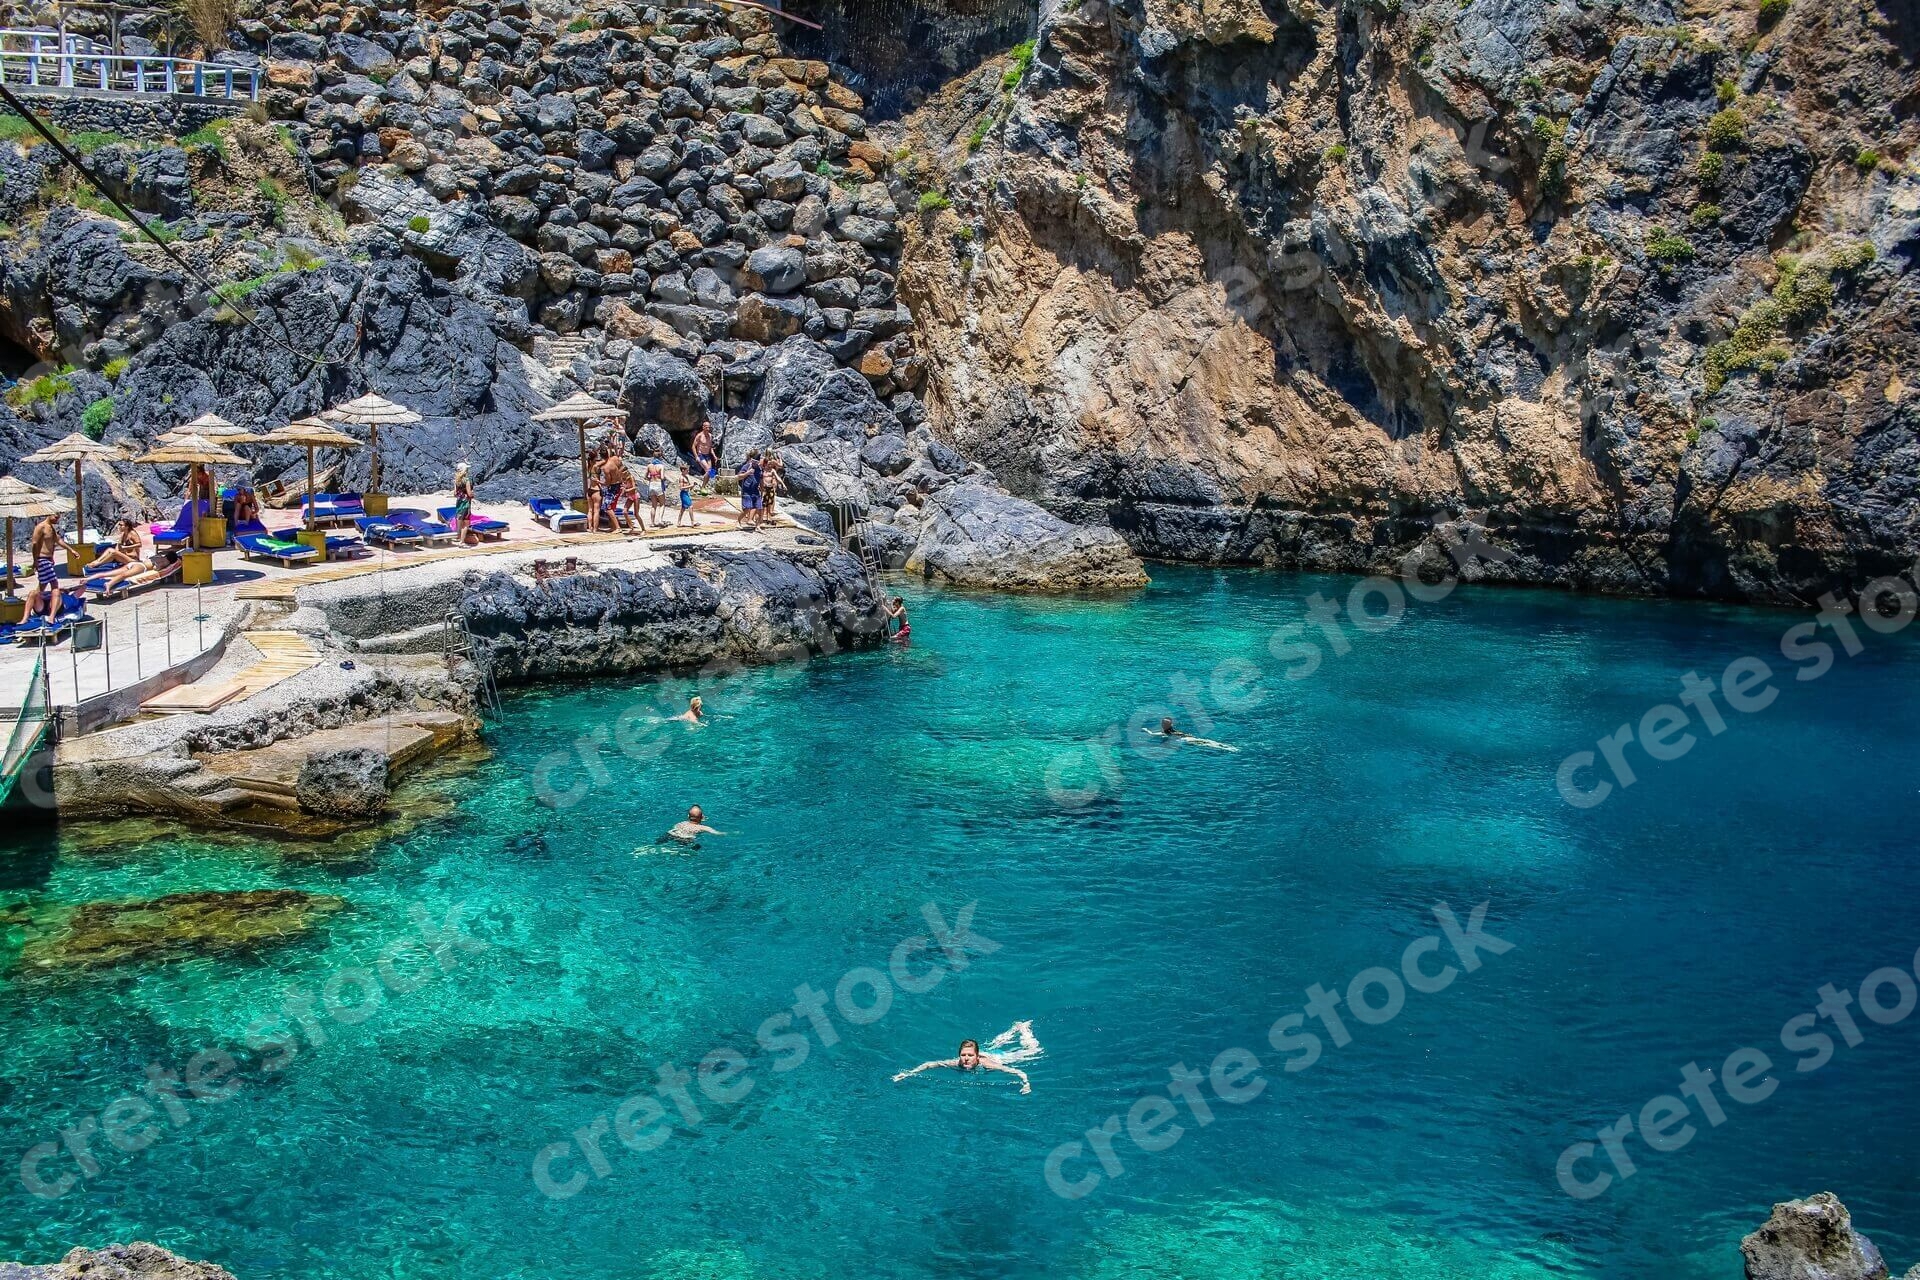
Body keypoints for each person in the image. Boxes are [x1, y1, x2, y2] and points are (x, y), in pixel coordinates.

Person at [892, 1022, 1042, 1095]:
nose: (966, 1059)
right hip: (987, 1051)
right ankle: (1015, 1028)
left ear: (977, 1057)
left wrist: (1026, 1084)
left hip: (999, 1057)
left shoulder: (988, 1064)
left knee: (1033, 1050)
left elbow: (1017, 1071)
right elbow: (930, 1064)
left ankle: (1024, 1030)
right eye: (963, 1055)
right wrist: (908, 1073)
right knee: (995, 1043)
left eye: (970, 1055)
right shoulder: (955, 1063)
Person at [23, 513, 62, 621]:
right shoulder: (41, 527)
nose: (57, 519)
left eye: (59, 517)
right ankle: (49, 617)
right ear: (49, 515)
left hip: (47, 559)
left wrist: (71, 550)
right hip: (42, 559)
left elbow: (56, 541)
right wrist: (35, 560)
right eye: (56, 517)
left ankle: (30, 614)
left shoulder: (51, 528)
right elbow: (35, 543)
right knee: (54, 585)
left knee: (43, 584)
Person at [1143, 716, 1239, 752]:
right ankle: (1229, 746)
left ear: (1163, 725)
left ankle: (1229, 749)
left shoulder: (1164, 733)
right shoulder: (1174, 730)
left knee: (1208, 745)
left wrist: (1146, 730)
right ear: (1171, 724)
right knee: (1208, 742)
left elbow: (1151, 734)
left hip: (1185, 741)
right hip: (1189, 738)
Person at [450, 463, 478, 546]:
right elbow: (469, 493)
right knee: (466, 523)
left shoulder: (456, 481)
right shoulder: (466, 480)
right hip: (465, 503)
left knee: (459, 521)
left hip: (459, 502)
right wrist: (473, 495)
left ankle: (458, 537)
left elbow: (455, 494)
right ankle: (462, 542)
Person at [736, 451, 763, 530]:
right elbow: (739, 477)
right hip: (747, 490)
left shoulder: (759, 468)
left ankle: (758, 526)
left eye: (756, 462)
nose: (755, 463)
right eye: (754, 461)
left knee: (759, 507)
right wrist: (747, 473)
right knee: (747, 508)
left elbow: (761, 479)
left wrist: (762, 488)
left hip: (755, 491)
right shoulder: (747, 466)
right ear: (751, 459)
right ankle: (738, 521)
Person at [645, 458, 668, 529]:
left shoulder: (649, 466)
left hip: (651, 485)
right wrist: (665, 479)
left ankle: (652, 523)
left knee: (653, 505)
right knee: (662, 504)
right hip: (658, 485)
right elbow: (662, 477)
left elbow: (645, 476)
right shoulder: (661, 466)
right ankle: (660, 520)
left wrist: (650, 479)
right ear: (660, 457)